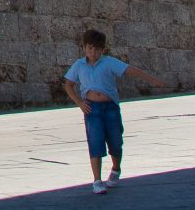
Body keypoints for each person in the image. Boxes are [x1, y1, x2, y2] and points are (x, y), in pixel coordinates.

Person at [62, 27, 168, 194]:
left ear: (103, 50)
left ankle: (116, 169)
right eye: (90, 48)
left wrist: (153, 80)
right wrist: (80, 103)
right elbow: (68, 84)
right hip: (92, 108)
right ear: (84, 48)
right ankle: (97, 181)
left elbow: (131, 70)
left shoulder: (109, 62)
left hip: (110, 107)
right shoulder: (79, 65)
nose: (93, 52)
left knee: (116, 143)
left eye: (97, 49)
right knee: (95, 141)